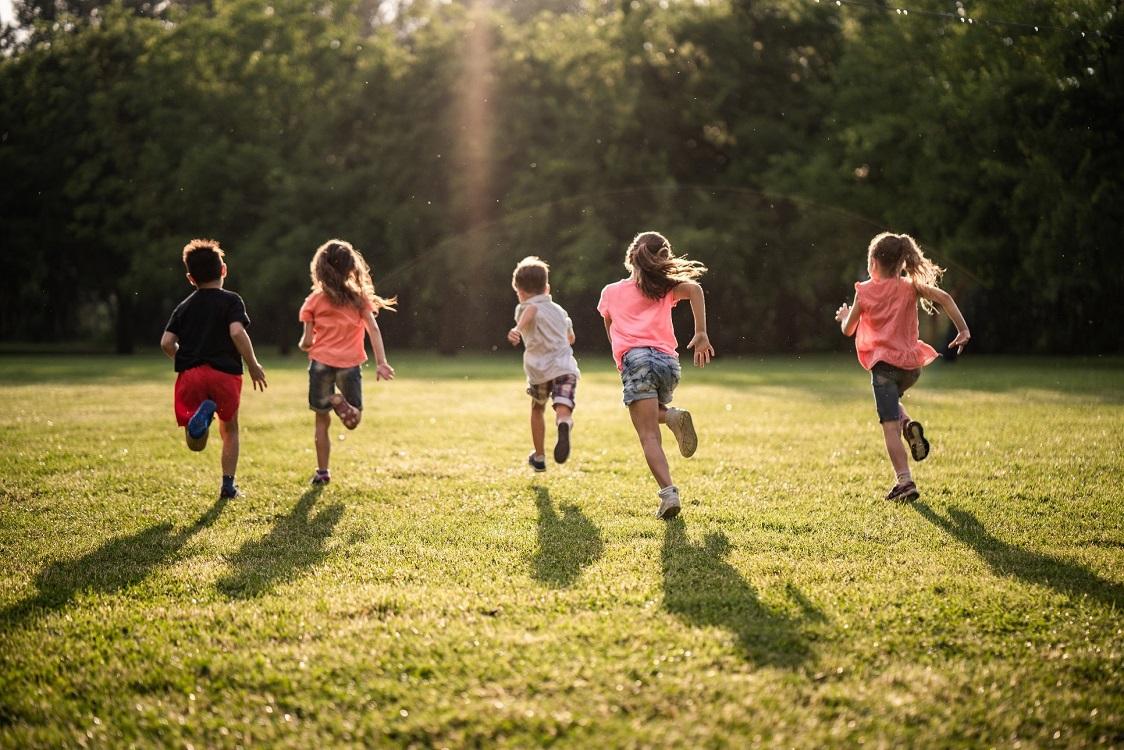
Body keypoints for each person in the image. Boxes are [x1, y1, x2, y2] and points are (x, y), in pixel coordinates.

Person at [835, 232, 971, 502]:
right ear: (901, 264)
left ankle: (905, 481)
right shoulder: (911, 286)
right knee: (894, 404)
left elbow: (848, 329)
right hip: (911, 367)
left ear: (873, 262)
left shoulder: (864, 291)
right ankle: (908, 425)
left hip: (883, 368)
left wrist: (843, 316)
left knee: (888, 426)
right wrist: (963, 329)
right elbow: (944, 297)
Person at [597, 231, 714, 520]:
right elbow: (696, 290)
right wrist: (700, 333)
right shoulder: (664, 287)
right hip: (668, 363)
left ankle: (668, 494)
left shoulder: (611, 291)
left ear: (631, 257)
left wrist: (621, 357)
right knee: (652, 416)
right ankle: (671, 416)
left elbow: (609, 329)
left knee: (648, 434)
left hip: (636, 361)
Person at [160, 239, 268, 499]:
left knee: (196, 444)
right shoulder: (231, 301)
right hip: (225, 374)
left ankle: (201, 417)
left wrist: (183, 359)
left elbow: (166, 342)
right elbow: (236, 331)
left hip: (192, 375)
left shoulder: (183, 307)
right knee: (230, 428)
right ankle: (228, 486)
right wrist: (253, 364)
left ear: (190, 278)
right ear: (224, 270)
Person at [298, 239, 395, 485]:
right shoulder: (358, 298)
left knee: (322, 419)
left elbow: (307, 341)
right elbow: (373, 329)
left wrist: (305, 345)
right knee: (355, 419)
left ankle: (322, 472)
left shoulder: (314, 301)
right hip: (349, 364)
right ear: (351, 268)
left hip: (320, 363)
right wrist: (381, 362)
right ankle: (342, 403)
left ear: (319, 268)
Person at [507, 256, 581, 471]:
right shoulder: (560, 311)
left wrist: (518, 329)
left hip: (539, 371)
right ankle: (564, 424)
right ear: (547, 288)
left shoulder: (524, 308)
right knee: (562, 407)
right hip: (565, 367)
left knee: (537, 409)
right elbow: (571, 338)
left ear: (519, 291)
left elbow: (532, 310)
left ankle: (539, 457)